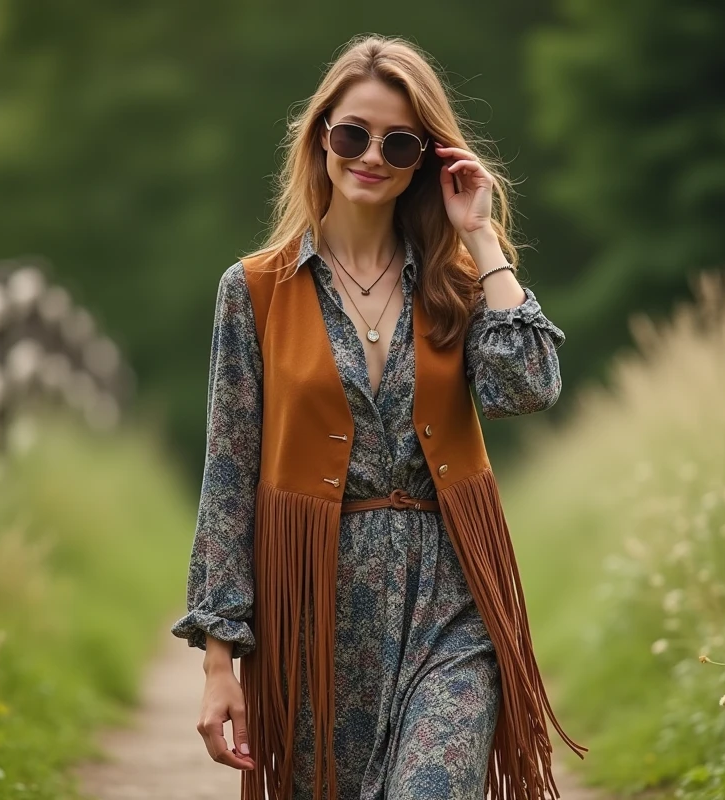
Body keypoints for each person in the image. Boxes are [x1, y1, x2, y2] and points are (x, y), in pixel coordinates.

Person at [171, 34, 585, 800]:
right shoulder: (253, 290)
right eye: (353, 135)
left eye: (399, 143)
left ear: (424, 159)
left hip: (452, 601)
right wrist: (219, 661)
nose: (371, 157)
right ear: (321, 137)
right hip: (313, 610)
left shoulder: (458, 282)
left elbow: (528, 388)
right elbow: (228, 478)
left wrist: (481, 235)